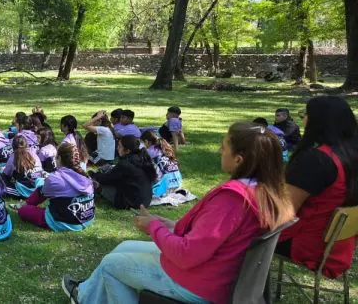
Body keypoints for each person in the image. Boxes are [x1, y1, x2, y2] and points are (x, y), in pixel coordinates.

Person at [62, 122, 294, 304]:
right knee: (123, 247)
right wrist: (170, 225)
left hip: (200, 282)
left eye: (224, 147)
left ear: (238, 159)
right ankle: (84, 295)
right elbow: (218, 237)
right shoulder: (267, 191)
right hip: (219, 271)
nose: (219, 151)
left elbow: (187, 254)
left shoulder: (233, 200)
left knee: (111, 265)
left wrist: (153, 228)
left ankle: (83, 296)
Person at [276, 96, 358, 279]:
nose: (303, 119)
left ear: (318, 121)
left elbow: (283, 211)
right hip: (338, 247)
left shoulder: (316, 160)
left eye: (305, 114)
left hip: (307, 245)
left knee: (238, 230)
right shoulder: (350, 155)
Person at [17, 143, 95, 232]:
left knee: (23, 210)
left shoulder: (55, 178)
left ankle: (26, 204)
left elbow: (41, 193)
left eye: (56, 156)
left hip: (63, 223)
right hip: (87, 219)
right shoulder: (86, 177)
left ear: (59, 158)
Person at [92, 135, 157, 210]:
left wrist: (94, 175)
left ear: (127, 150)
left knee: (97, 183)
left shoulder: (125, 164)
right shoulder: (141, 159)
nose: (117, 148)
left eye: (119, 146)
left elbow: (107, 179)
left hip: (132, 203)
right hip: (146, 200)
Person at [142, 130, 183, 197]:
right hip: (177, 184)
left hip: (163, 189)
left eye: (143, 143)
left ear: (146, 141)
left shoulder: (149, 152)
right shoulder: (164, 148)